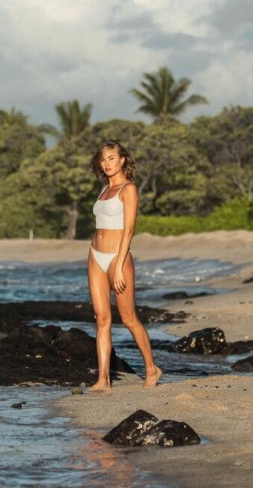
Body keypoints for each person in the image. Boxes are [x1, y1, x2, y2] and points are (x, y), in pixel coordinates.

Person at [87, 139, 162, 391]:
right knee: (101, 319)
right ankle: (103, 379)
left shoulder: (128, 189)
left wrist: (118, 266)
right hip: (95, 256)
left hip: (118, 259)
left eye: (111, 158)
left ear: (122, 160)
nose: (106, 163)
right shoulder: (103, 190)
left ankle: (151, 369)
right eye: (103, 159)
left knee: (129, 318)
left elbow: (129, 230)